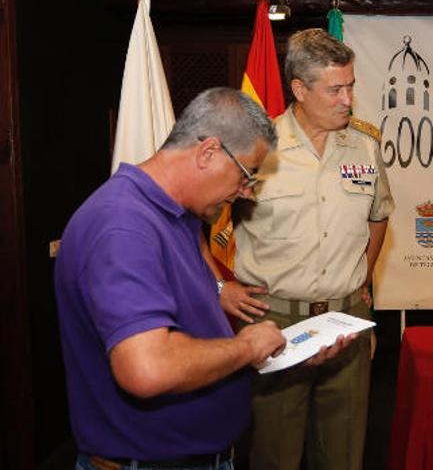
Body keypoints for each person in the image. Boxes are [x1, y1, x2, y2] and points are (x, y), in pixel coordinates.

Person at [55, 88, 353, 470]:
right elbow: (148, 368)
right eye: (247, 175)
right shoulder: (123, 226)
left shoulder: (177, 215)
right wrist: (245, 347)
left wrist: (277, 354)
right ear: (209, 152)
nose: (246, 193)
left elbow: (188, 340)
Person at [225, 28, 394, 470]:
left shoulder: (365, 144)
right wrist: (218, 286)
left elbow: (378, 217)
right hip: (276, 322)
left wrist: (360, 281)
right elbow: (198, 223)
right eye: (334, 89)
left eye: (351, 86)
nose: (347, 99)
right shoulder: (258, 147)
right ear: (299, 90)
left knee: (344, 454)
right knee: (274, 455)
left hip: (346, 320)